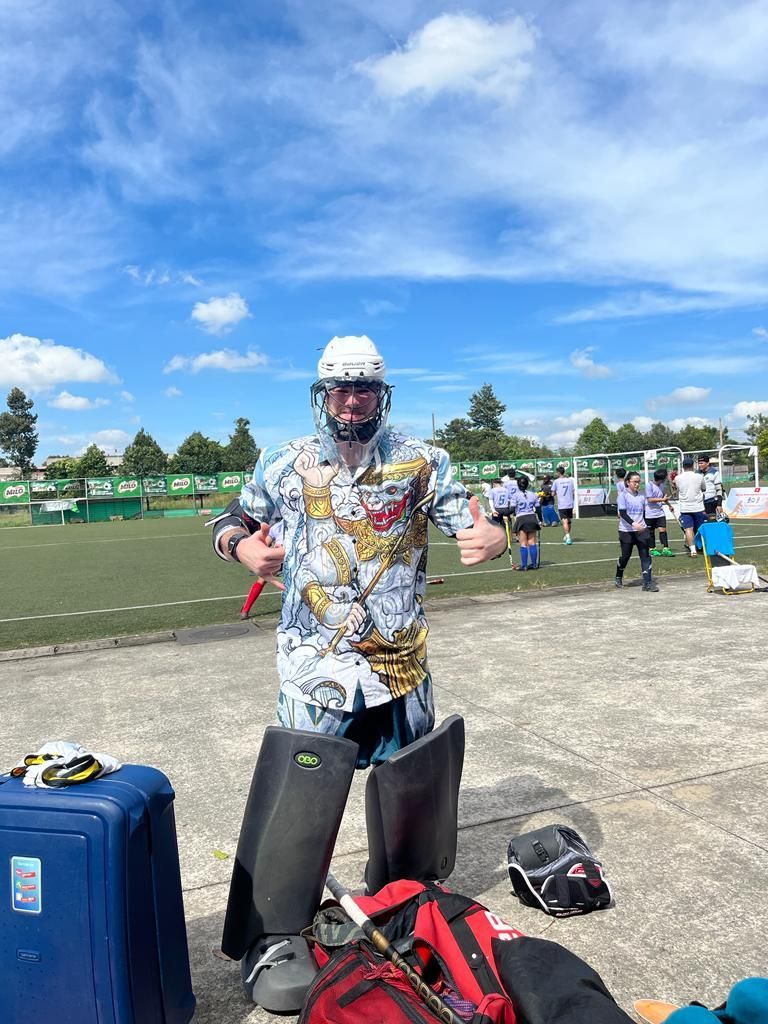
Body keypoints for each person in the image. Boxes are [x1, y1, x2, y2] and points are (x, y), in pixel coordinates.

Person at [210, 335, 507, 769]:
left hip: (400, 669)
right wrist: (240, 548)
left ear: (381, 393)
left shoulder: (422, 460)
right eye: (340, 389)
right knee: (299, 810)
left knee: (410, 805)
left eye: (364, 388)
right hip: (311, 669)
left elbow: (472, 524)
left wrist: (496, 537)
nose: (352, 401)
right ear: (323, 394)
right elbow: (230, 522)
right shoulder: (280, 461)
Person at [615, 471, 658, 592]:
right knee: (625, 556)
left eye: (639, 482)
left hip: (641, 531)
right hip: (626, 530)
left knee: (645, 556)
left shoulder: (641, 496)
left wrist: (645, 526)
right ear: (628, 482)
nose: (637, 484)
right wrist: (634, 524)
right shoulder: (622, 496)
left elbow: (644, 513)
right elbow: (622, 513)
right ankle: (618, 576)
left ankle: (647, 583)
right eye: (635, 482)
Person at [672, 456, 706, 558]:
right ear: (693, 466)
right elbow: (704, 488)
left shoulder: (677, 478)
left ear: (683, 466)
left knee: (688, 529)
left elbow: (675, 488)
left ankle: (693, 550)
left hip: (685, 507)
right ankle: (703, 547)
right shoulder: (699, 476)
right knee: (701, 528)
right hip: (698, 506)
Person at [509, 474, 541, 569]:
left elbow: (512, 509)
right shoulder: (533, 495)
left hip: (521, 519)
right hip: (532, 518)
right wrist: (540, 520)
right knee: (532, 542)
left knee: (523, 543)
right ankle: (534, 564)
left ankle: (524, 566)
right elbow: (538, 509)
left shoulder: (515, 496)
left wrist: (505, 514)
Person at [645, 468, 675, 557]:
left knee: (663, 530)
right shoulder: (649, 485)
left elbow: (663, 497)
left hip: (659, 512)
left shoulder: (661, 485)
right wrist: (662, 499)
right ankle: (652, 549)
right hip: (650, 513)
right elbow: (650, 499)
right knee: (651, 532)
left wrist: (669, 505)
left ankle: (665, 548)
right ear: (662, 478)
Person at [552, 464, 575, 544]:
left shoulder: (556, 481)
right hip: (570, 503)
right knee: (569, 520)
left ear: (558, 473)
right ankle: (567, 535)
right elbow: (573, 492)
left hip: (562, 504)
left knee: (564, 521)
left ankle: (568, 537)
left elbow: (553, 493)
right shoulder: (570, 481)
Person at [697, 454, 723, 519]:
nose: (700, 465)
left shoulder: (715, 473)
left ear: (708, 463)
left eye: (701, 463)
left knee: (712, 521)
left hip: (711, 502)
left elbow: (719, 489)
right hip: (699, 503)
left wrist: (719, 504)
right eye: (699, 463)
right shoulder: (696, 473)